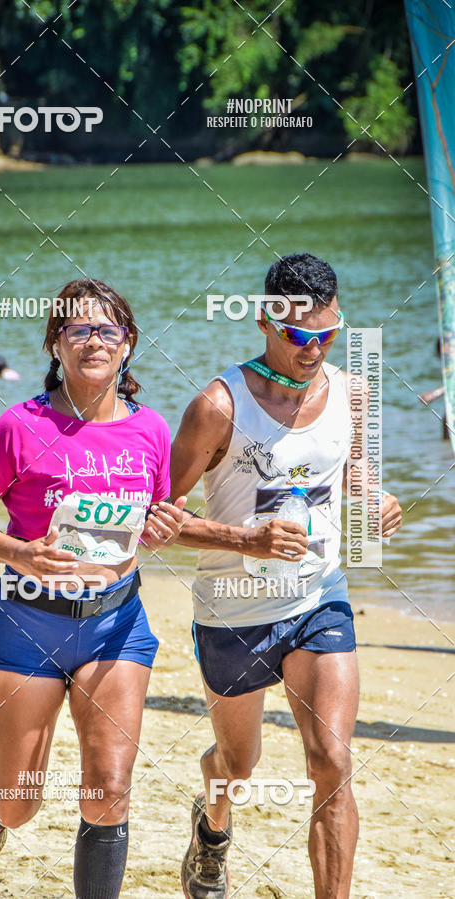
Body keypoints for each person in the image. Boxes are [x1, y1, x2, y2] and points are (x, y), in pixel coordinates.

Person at [170, 254, 402, 899]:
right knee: (238, 766)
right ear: (268, 320)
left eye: (329, 335)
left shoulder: (352, 391)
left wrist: (374, 500)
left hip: (318, 595)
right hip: (233, 608)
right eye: (302, 338)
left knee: (331, 760)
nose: (315, 350)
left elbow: (352, 470)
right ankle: (213, 826)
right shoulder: (217, 405)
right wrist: (245, 538)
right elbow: (157, 518)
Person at [0, 278, 185, 899]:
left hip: (116, 623)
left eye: (107, 329)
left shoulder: (152, 430)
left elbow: (156, 517)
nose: (93, 340)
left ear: (128, 343)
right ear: (55, 344)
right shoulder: (18, 426)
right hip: (25, 626)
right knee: (20, 802)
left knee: (108, 789)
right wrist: (20, 553)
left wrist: (162, 526)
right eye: (77, 329)